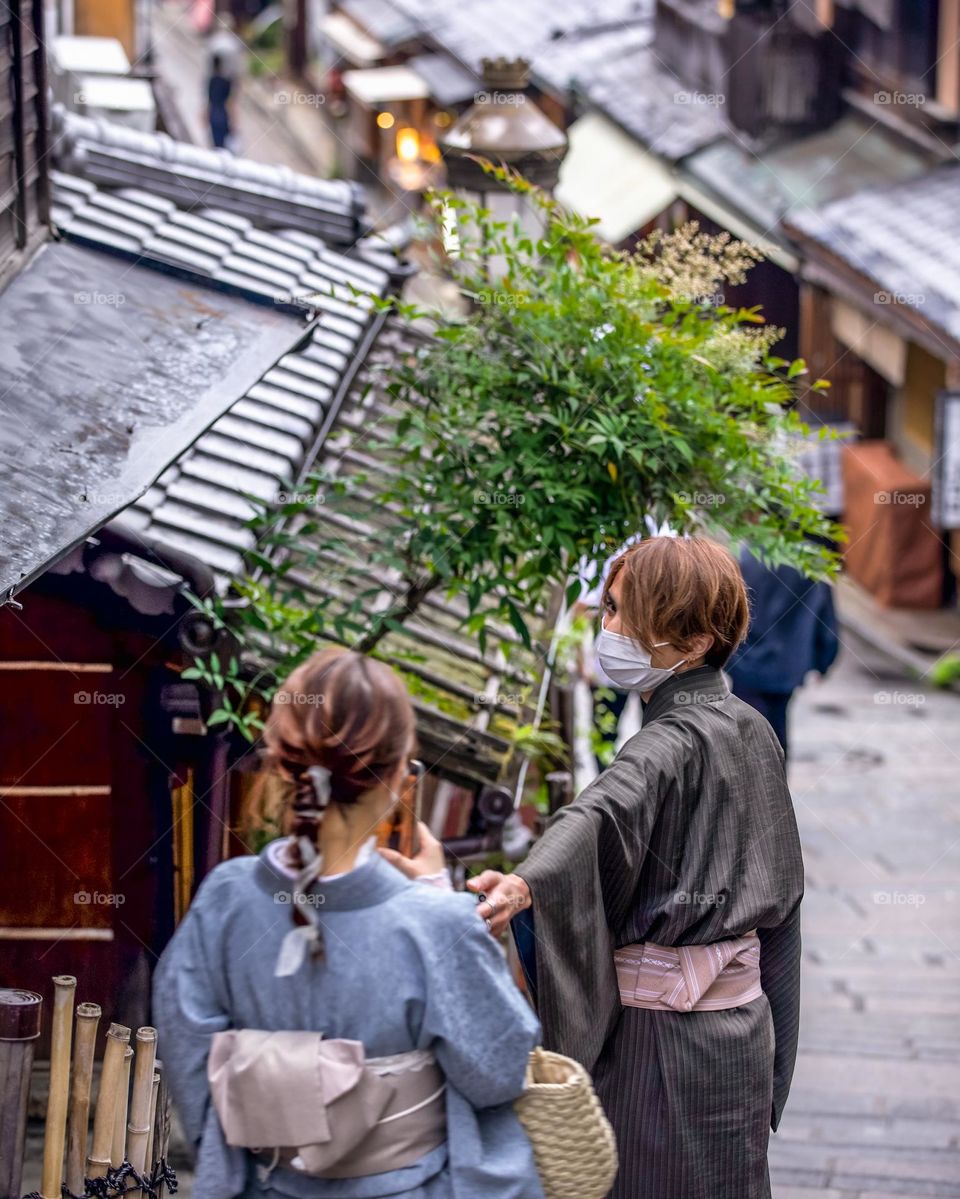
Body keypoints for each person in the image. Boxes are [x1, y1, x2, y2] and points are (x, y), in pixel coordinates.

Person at [461, 537, 804, 1199]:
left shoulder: (664, 742)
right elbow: (784, 903)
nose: (608, 629)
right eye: (610, 609)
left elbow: (595, 816)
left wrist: (527, 882)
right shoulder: (754, 727)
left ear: (696, 641)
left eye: (626, 615)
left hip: (660, 1046)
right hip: (742, 1035)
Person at [153, 647, 544, 1199]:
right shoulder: (435, 923)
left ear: (280, 761)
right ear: (395, 778)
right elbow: (499, 1070)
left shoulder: (224, 899)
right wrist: (439, 899)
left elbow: (191, 1063)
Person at [726, 545, 840, 757]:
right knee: (776, 730)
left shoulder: (743, 558)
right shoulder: (810, 563)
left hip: (745, 665)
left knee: (743, 734)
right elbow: (826, 625)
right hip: (787, 666)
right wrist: (823, 662)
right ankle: (775, 784)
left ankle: (745, 783)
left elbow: (725, 614)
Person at [207, 53, 233, 150]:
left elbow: (208, 100)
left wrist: (205, 115)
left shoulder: (212, 80)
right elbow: (230, 103)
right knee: (223, 145)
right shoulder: (227, 82)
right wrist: (234, 122)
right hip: (223, 116)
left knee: (215, 144)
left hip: (213, 115)